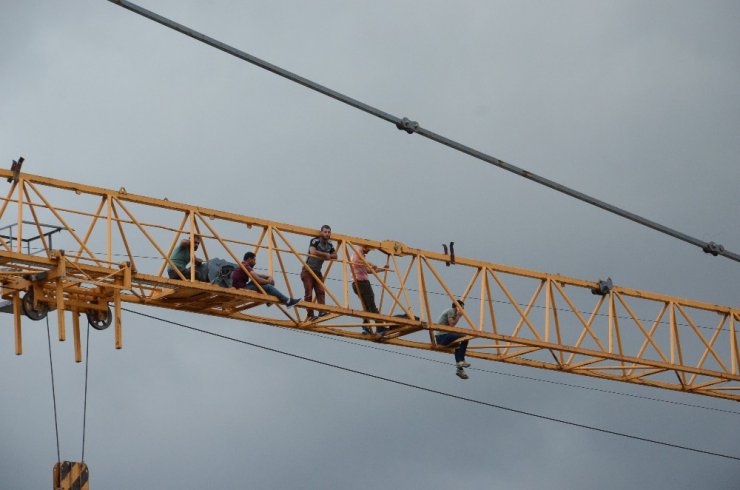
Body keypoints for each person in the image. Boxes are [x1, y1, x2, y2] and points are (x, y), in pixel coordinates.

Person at [232, 252, 300, 307]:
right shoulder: (245, 266)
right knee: (268, 286)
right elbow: (258, 280)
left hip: (241, 286)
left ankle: (269, 301)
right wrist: (267, 281)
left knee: (269, 283)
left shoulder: (242, 265)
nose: (255, 262)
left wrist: (267, 277)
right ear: (249, 259)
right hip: (241, 288)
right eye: (254, 260)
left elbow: (257, 275)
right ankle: (287, 301)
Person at [350, 244, 389, 335]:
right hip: (361, 283)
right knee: (372, 305)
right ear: (365, 247)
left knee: (366, 306)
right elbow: (356, 261)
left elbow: (368, 271)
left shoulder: (361, 256)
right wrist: (370, 263)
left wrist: (382, 269)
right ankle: (380, 328)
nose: (369, 251)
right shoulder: (358, 252)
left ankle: (365, 327)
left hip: (357, 284)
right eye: (369, 249)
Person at [302, 225, 337, 321]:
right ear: (321, 232)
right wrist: (325, 254)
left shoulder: (330, 244)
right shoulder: (315, 240)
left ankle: (322, 311)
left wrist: (329, 255)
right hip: (308, 270)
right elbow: (312, 251)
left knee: (320, 291)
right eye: (325, 232)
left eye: (329, 232)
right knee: (308, 293)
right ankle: (310, 315)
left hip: (317, 271)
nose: (327, 234)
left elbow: (335, 256)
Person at [435, 300, 471, 380]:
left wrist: (457, 316)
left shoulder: (452, 312)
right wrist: (458, 316)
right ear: (457, 307)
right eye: (462, 307)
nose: (463, 309)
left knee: (457, 346)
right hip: (442, 337)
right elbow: (451, 325)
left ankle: (460, 369)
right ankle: (461, 360)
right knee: (465, 337)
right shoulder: (451, 311)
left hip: (442, 337)